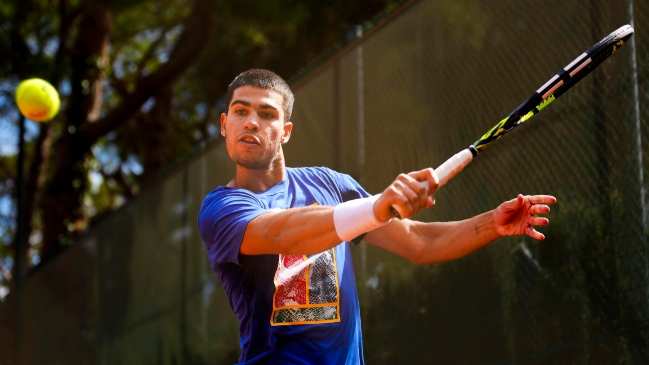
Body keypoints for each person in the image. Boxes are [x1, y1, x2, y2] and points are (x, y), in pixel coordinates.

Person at [197, 69, 556, 364]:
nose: (251, 123)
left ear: (286, 132)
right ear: (225, 125)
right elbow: (282, 232)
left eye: (267, 114)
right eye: (241, 112)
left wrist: (491, 223)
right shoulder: (221, 209)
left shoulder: (330, 184)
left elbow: (420, 242)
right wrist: (375, 207)